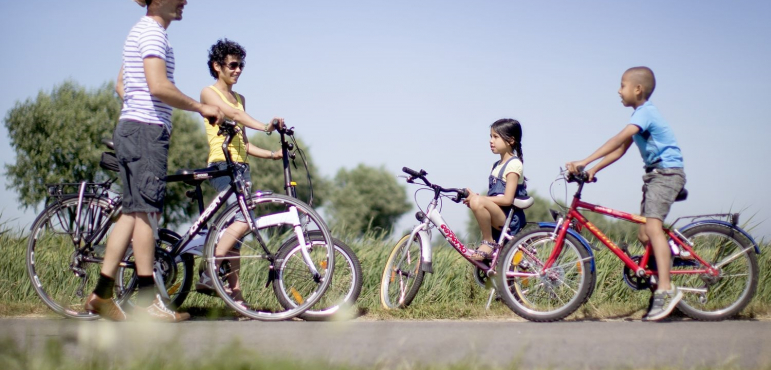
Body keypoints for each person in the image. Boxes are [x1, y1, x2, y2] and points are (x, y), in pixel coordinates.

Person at [84, 0, 224, 322]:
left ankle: (102, 294)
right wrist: (200, 107)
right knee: (148, 212)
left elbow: (122, 84)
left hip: (135, 127)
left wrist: (138, 109)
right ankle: (148, 302)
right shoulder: (152, 32)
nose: (185, 0)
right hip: (145, 131)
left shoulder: (143, 31)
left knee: (133, 212)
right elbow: (158, 86)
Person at [566, 66, 686, 322]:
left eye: (622, 85)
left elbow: (617, 138)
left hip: (666, 174)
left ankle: (666, 289)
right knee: (644, 234)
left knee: (653, 228)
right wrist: (594, 169)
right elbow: (620, 150)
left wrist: (584, 160)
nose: (618, 91)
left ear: (637, 89)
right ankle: (665, 272)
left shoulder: (645, 114)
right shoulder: (640, 116)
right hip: (655, 175)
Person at [194, 39, 284, 309]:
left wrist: (272, 154)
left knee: (238, 239)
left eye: (240, 65)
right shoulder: (208, 93)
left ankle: (236, 299)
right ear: (217, 66)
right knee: (245, 221)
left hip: (241, 168)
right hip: (222, 165)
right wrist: (266, 126)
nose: (238, 70)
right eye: (233, 65)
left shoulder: (241, 98)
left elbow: (244, 143)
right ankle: (208, 271)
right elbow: (233, 114)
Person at [463, 118, 527, 261]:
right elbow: (495, 196)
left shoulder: (514, 164)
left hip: (509, 217)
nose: (491, 141)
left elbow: (507, 199)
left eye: (496, 137)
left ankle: (488, 242)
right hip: (499, 213)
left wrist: (481, 200)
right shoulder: (496, 165)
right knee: (477, 201)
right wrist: (476, 199)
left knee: (478, 201)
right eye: (491, 136)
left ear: (511, 141)